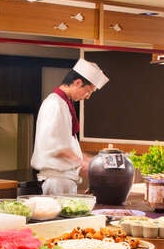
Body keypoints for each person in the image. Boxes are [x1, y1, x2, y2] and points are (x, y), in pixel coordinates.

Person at [30, 58, 109, 195]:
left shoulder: (64, 104)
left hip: (65, 180)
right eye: (89, 91)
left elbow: (65, 143)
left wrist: (87, 160)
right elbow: (56, 146)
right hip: (56, 181)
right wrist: (82, 162)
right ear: (78, 83)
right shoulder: (54, 104)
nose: (88, 96)